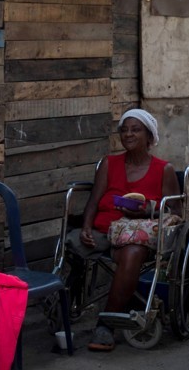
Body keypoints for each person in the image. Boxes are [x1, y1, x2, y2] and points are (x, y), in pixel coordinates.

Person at [67, 108, 180, 352]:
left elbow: (176, 213)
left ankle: (106, 324)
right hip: (102, 231)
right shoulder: (109, 164)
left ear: (149, 137)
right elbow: (94, 201)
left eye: (135, 129)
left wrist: (148, 211)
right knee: (73, 242)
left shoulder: (164, 170)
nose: (128, 134)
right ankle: (70, 305)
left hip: (137, 236)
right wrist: (86, 226)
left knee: (132, 253)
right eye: (124, 130)